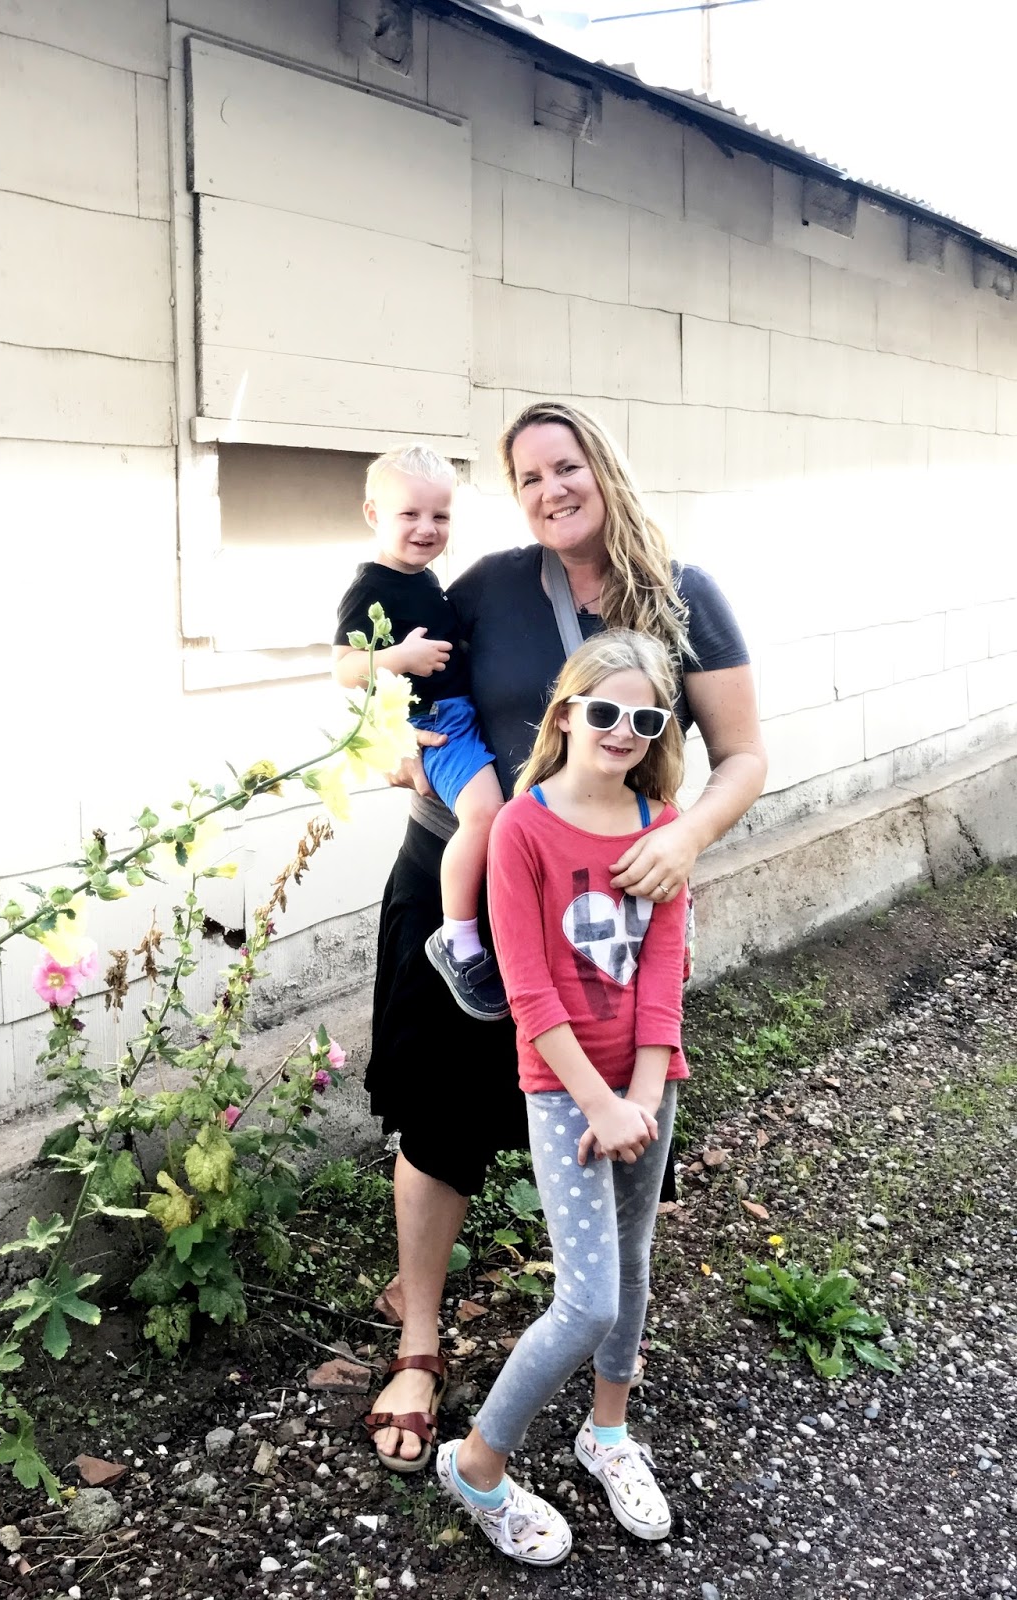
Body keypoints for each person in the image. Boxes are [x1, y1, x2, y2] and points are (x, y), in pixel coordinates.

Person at [361, 400, 767, 1475]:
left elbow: (742, 756)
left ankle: (599, 1355)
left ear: (603, 468)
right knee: (441, 1114)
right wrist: (403, 747)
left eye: (565, 466)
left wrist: (684, 835)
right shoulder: (488, 586)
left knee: (612, 1112)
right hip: (459, 881)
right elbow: (410, 683)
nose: (550, 490)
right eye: (529, 477)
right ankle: (418, 1341)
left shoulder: (685, 597)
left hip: (608, 903)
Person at [435, 630, 687, 1564]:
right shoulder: (521, 830)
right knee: (586, 1303)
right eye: (606, 710)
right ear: (567, 713)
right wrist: (599, 1104)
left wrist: (643, 1097)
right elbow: (528, 990)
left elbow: (664, 970)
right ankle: (477, 1465)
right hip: (565, 1090)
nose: (623, 731)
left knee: (633, 1266)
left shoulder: (663, 826)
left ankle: (607, 1433)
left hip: (646, 1086)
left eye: (645, 720)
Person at [333, 445, 508, 1022]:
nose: (427, 528)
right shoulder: (370, 587)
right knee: (484, 815)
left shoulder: (426, 579)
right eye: (409, 513)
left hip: (458, 715)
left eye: (440, 515)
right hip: (435, 724)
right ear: (373, 514)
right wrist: (400, 658)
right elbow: (344, 670)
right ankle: (458, 938)